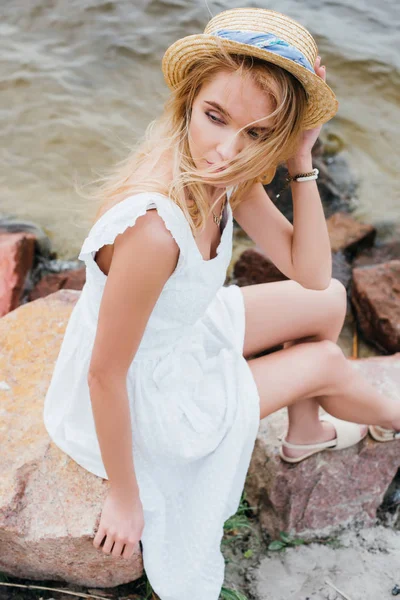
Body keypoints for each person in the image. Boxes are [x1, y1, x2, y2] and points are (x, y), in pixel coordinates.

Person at [43, 7, 400, 600]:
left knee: (330, 301)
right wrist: (126, 497)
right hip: (146, 395)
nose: (227, 149)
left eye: (258, 133)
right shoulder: (154, 232)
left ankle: (306, 431)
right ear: (188, 101)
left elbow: (312, 275)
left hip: (179, 337)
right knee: (329, 362)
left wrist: (300, 160)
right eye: (215, 117)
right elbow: (105, 374)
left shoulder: (229, 175)